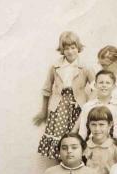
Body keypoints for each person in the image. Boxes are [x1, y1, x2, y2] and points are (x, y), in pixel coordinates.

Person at [34, 31, 94, 160]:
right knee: (61, 140)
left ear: (78, 48)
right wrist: (43, 112)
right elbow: (46, 90)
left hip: (78, 106)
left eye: (73, 48)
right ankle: (62, 169)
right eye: (66, 48)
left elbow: (96, 88)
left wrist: (90, 105)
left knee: (77, 138)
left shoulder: (85, 67)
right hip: (59, 107)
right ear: (62, 50)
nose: (70, 51)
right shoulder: (55, 67)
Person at [75, 69, 117, 139]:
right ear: (95, 85)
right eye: (101, 82)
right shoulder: (88, 106)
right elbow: (83, 132)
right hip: (92, 144)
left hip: (113, 144)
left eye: (108, 83)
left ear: (114, 86)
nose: (104, 85)